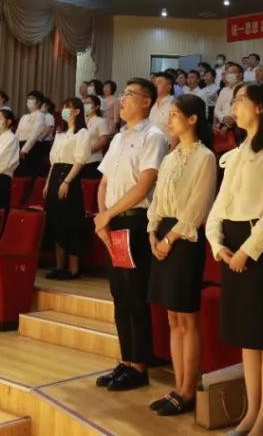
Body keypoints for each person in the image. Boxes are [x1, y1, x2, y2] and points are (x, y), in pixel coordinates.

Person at [206, 82, 263, 436]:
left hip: (260, 247)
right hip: (233, 245)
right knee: (247, 334)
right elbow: (220, 204)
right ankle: (251, 410)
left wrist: (247, 251)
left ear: (260, 107)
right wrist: (216, 243)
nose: (234, 106)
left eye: (241, 100)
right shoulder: (237, 151)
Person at [94, 78, 169, 391]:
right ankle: (125, 360)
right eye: (122, 94)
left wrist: (107, 215)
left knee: (134, 295)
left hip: (135, 221)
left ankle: (139, 365)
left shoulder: (154, 136)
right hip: (112, 222)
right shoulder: (118, 138)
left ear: (146, 101)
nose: (122, 99)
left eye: (129, 94)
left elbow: (144, 185)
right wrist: (102, 218)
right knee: (119, 295)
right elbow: (103, 183)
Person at [146, 94, 217, 417]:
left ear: (192, 119)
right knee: (172, 317)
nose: (169, 119)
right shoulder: (170, 157)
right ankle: (178, 385)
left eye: (175, 114)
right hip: (163, 235)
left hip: (185, 240)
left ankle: (189, 388)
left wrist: (169, 239)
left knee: (187, 318)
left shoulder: (205, 157)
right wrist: (152, 232)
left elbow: (197, 208)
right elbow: (158, 201)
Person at [44, 98, 90, 280]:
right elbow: (53, 162)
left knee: (70, 222)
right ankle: (59, 266)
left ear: (77, 111)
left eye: (68, 108)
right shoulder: (60, 133)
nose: (64, 110)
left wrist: (67, 182)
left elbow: (80, 160)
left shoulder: (82, 133)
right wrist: (48, 183)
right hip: (55, 175)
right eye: (63, 107)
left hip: (69, 176)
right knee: (56, 222)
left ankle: (73, 269)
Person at [16, 91, 48, 177]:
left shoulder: (40, 116)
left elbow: (35, 134)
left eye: (32, 98)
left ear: (39, 102)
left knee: (30, 172)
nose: (29, 101)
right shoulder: (24, 117)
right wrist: (15, 148)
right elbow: (17, 133)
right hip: (20, 146)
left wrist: (24, 150)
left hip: (33, 148)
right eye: (28, 98)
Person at [83, 94, 111, 178]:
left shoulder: (101, 121)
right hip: (80, 161)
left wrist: (86, 150)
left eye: (89, 103)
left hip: (93, 160)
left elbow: (103, 141)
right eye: (85, 103)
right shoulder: (81, 121)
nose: (86, 105)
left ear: (96, 107)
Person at [214, 62, 243, 129]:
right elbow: (217, 109)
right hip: (222, 123)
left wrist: (228, 125)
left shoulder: (244, 89)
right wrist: (223, 118)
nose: (230, 75)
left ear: (240, 75)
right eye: (228, 73)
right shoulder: (223, 90)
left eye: (233, 72)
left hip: (238, 126)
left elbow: (242, 110)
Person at [150, 72, 176, 138]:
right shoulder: (151, 103)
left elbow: (176, 130)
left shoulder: (174, 104)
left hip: (167, 142)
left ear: (169, 87)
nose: (155, 85)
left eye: (159, 82)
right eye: (155, 82)